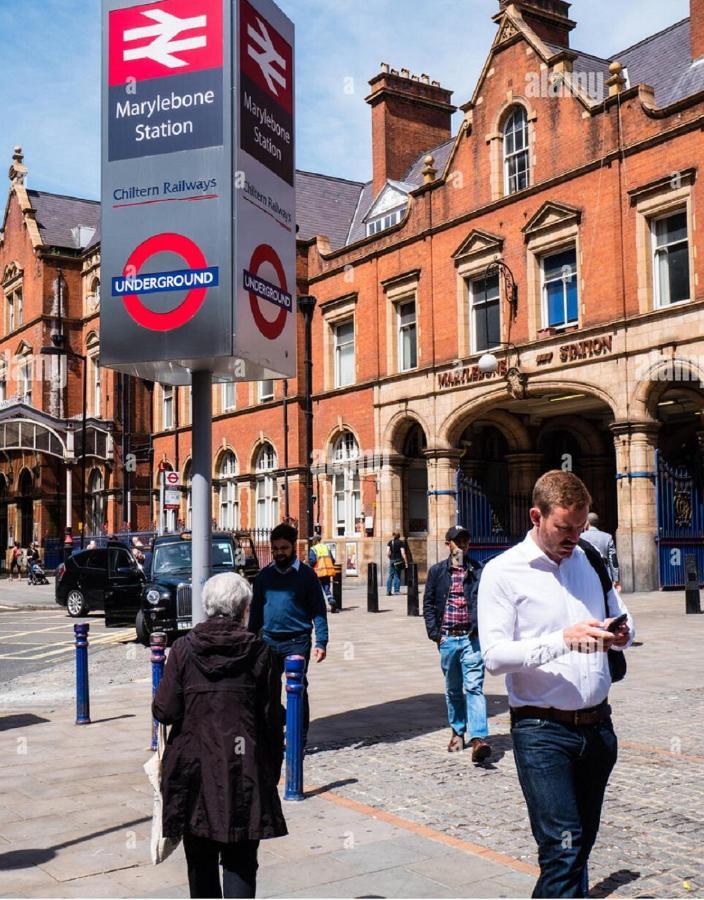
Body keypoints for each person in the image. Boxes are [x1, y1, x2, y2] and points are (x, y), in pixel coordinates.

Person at [478, 470, 634, 899]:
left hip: (598, 728)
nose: (574, 538)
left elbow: (621, 612)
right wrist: (561, 640)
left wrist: (621, 633)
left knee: (579, 847)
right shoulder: (502, 572)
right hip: (542, 731)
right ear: (536, 516)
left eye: (580, 528)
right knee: (562, 852)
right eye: (564, 528)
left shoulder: (590, 560)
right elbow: (493, 657)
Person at [153, 572, 286, 899]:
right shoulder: (261, 653)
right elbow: (270, 721)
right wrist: (272, 770)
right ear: (244, 609)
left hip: (193, 770)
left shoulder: (183, 649)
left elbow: (165, 711)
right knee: (241, 861)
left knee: (200, 859)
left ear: (207, 606)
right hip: (244, 770)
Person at [248, 523, 328, 745]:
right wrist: (250, 640)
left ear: (293, 547)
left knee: (298, 690)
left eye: (283, 548)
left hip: (297, 641)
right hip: (269, 640)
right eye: (275, 549)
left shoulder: (307, 576)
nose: (279, 553)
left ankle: (299, 739)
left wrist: (321, 642)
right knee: (268, 691)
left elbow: (319, 611)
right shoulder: (264, 576)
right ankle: (273, 735)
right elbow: (255, 613)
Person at [423, 526, 491, 762]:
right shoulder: (437, 572)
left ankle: (479, 738)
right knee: (453, 688)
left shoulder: (478, 570)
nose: (461, 545)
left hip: (471, 638)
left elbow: (487, 602)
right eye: (456, 541)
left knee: (474, 687)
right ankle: (457, 731)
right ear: (448, 544)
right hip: (448, 638)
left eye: (465, 540)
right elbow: (429, 604)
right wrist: (436, 635)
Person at [581, 512, 620, 591]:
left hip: (586, 574)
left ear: (587, 522)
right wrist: (616, 579)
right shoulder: (607, 537)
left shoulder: (581, 537)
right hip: (605, 574)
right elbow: (613, 559)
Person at [309, 535, 337, 613]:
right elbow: (332, 560)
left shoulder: (313, 549)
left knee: (317, 589)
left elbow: (313, 561)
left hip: (317, 572)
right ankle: (331, 600)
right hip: (327, 571)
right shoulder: (326, 547)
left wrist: (308, 566)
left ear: (315, 540)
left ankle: (319, 606)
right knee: (326, 588)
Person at [386, 531, 408, 595]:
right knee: (397, 575)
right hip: (398, 560)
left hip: (392, 560)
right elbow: (403, 553)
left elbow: (388, 553)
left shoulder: (390, 542)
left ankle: (388, 591)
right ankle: (396, 591)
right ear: (399, 536)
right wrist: (406, 562)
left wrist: (391, 559)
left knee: (390, 575)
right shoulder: (401, 542)